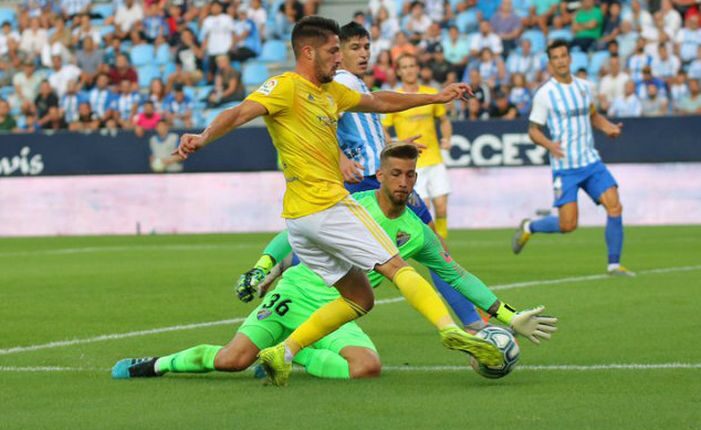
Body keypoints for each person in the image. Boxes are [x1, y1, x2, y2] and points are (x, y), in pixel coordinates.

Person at [169, 16, 505, 387]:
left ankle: (285, 350)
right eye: (333, 51)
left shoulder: (333, 92)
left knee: (359, 297)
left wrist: (435, 96)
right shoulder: (285, 87)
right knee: (396, 265)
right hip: (325, 205)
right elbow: (238, 113)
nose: (338, 59)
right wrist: (203, 137)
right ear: (309, 51)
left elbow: (379, 101)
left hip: (299, 219)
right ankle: (449, 331)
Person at [112, 143, 558, 381]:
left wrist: (506, 314)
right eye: (395, 174)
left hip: (341, 307)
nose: (403, 183)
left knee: (367, 368)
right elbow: (293, 231)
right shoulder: (350, 203)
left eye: (410, 176)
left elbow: (456, 274)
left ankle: (291, 355)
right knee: (231, 361)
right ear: (380, 175)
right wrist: (265, 265)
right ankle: (154, 364)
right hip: (296, 291)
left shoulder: (418, 234)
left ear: (415, 179)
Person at [256, 21, 488, 332]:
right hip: (365, 182)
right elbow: (319, 127)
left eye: (366, 47)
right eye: (353, 48)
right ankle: (277, 284)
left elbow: (369, 124)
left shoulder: (356, 84)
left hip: (381, 177)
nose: (363, 53)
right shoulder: (339, 84)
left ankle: (474, 322)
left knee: (434, 249)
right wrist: (339, 159)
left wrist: (393, 146)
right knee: (324, 268)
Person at [512, 40, 634, 276]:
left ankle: (614, 265)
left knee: (615, 206)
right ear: (550, 63)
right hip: (565, 167)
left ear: (569, 59)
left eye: (563, 56)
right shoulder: (545, 94)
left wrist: (608, 127)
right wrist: (550, 145)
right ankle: (531, 226)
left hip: (590, 161)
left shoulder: (584, 87)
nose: (560, 61)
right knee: (568, 225)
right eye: (555, 57)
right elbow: (533, 130)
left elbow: (593, 115)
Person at [382, 53, 453, 240]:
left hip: (435, 158)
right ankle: (422, 245)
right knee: (424, 208)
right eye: (404, 67)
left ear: (418, 68)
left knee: (442, 207)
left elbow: (444, 120)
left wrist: (447, 137)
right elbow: (383, 127)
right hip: (412, 163)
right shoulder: (394, 96)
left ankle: (441, 247)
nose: (409, 70)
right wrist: (393, 146)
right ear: (398, 72)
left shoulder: (430, 93)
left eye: (412, 65)